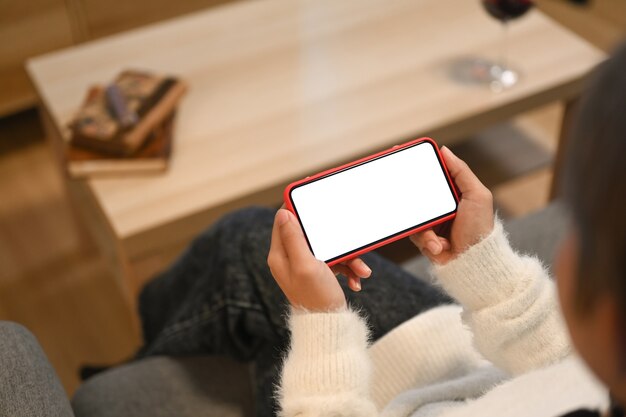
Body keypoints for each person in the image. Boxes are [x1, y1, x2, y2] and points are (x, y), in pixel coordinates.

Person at [138, 43, 626, 417]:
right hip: (461, 365)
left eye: (580, 232)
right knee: (249, 236)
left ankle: (140, 348)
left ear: (608, 316)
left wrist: (322, 325)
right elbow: (567, 370)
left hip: (393, 393)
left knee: (244, 245)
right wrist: (488, 271)